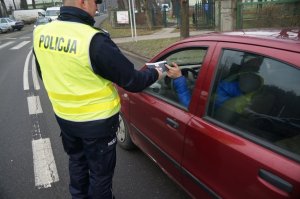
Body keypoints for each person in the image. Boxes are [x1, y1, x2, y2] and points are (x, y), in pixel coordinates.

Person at [33, 0, 163, 198]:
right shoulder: (93, 40)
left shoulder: (41, 33)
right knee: (100, 175)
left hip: (65, 118)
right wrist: (158, 73)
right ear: (83, 2)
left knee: (77, 161)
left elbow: (44, 73)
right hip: (97, 123)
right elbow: (133, 81)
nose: (97, 8)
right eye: (95, 3)